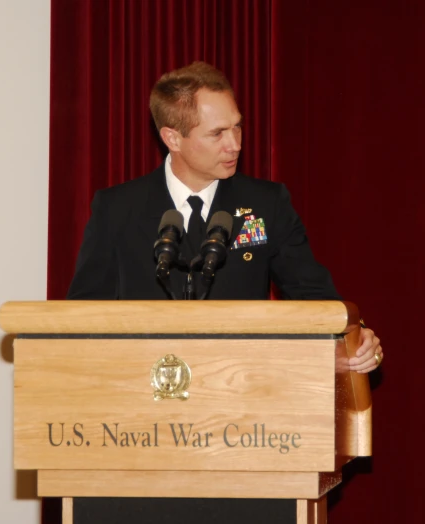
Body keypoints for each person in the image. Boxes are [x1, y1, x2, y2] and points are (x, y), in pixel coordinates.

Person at [66, 61, 383, 523]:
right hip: (142, 439)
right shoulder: (118, 209)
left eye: (237, 127)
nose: (235, 144)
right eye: (217, 133)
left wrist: (353, 341)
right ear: (172, 138)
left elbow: (318, 303)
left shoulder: (267, 204)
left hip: (249, 434)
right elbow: (83, 322)